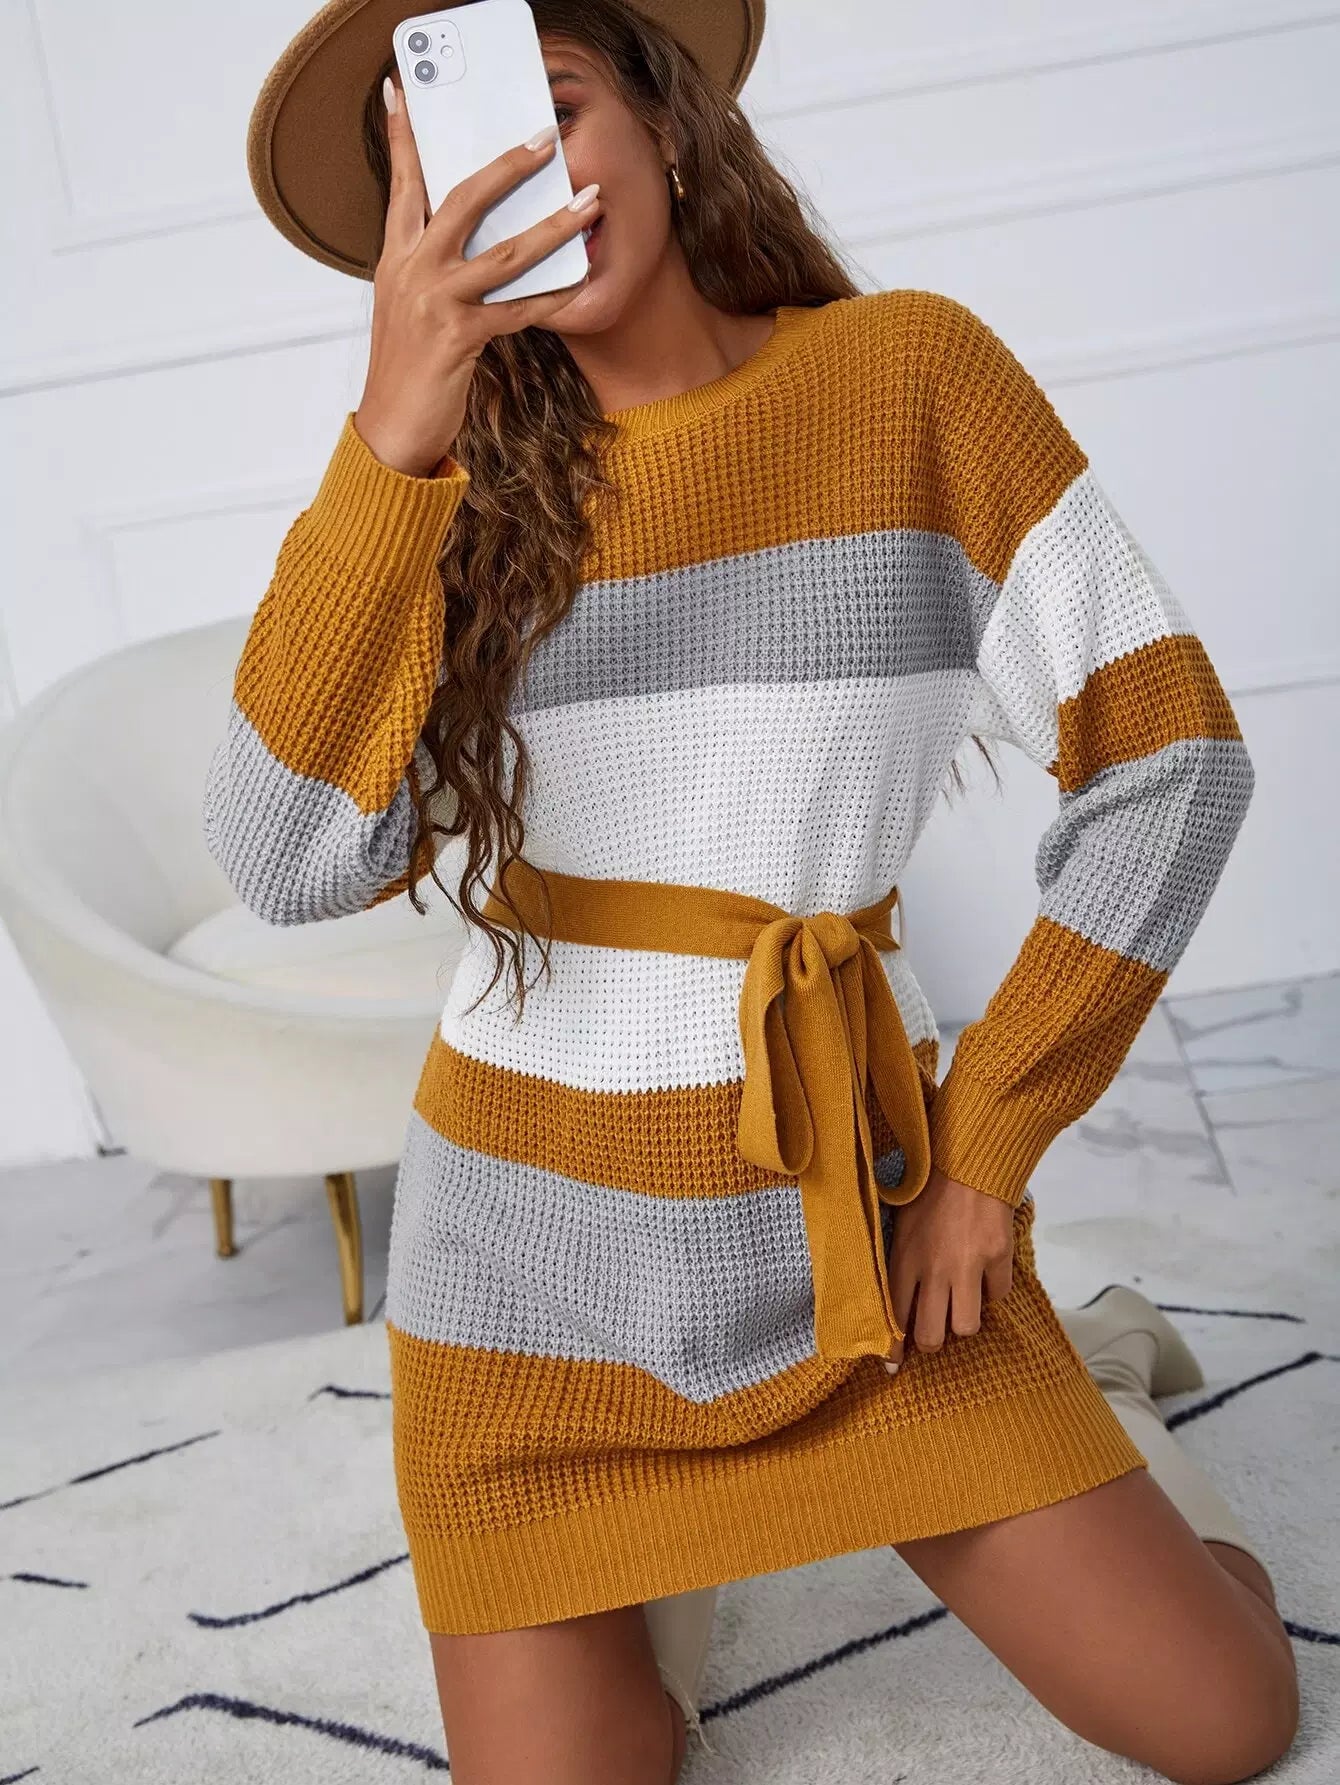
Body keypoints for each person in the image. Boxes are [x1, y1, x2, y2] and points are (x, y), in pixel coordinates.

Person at [213, 2, 1299, 1780]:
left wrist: (984, 1154)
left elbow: (1170, 757)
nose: (518, 179)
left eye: (556, 109)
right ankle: (667, 1571)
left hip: (859, 1235)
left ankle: (1095, 1388)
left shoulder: (907, 378)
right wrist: (392, 438)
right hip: (531, 1284)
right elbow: (281, 856)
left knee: (1230, 1721)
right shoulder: (440, 496)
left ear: (663, 116)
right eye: (448, 162)